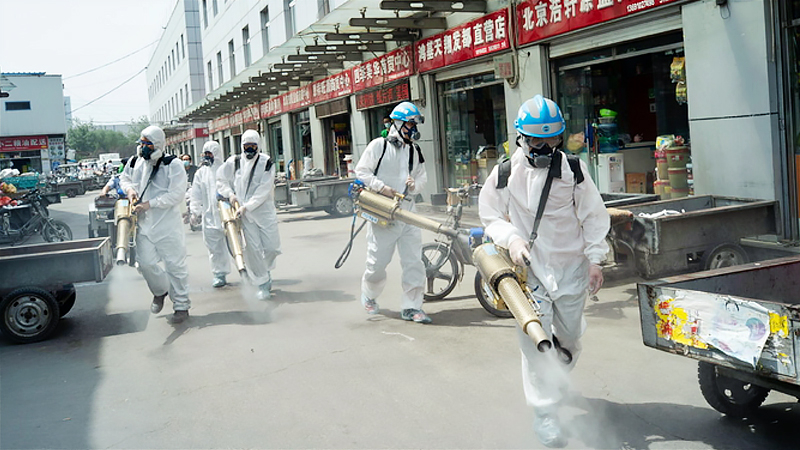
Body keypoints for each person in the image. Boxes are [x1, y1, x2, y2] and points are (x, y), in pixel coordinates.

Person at [478, 95, 610, 448]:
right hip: (530, 269)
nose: (546, 148)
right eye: (538, 141)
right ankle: (545, 412)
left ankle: (553, 379)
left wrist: (596, 260)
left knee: (568, 341)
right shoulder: (506, 172)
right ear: (522, 138)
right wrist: (513, 240)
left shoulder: (574, 171)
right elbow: (490, 215)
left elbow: (594, 218)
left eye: (553, 141)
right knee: (535, 340)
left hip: (571, 269)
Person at [355, 101, 430, 324]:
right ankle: (369, 294)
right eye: (409, 124)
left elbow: (422, 176)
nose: (413, 129)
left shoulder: (414, 149)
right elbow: (361, 172)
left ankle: (412, 307)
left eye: (415, 125)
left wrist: (415, 184)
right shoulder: (379, 146)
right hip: (383, 212)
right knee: (377, 262)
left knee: (414, 262)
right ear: (397, 123)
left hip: (408, 211)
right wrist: (381, 187)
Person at [120, 125, 191, 324]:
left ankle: (182, 306)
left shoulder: (173, 165)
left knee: (175, 265)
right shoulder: (135, 162)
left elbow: (177, 194)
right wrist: (130, 191)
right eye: (141, 143)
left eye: (148, 144)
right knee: (145, 264)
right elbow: (124, 178)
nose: (143, 147)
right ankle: (160, 290)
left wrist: (151, 204)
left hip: (167, 224)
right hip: (145, 225)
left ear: (158, 144)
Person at [216, 129, 281, 300]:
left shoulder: (267, 162)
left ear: (258, 145)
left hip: (263, 213)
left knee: (272, 248)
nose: (249, 149)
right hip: (244, 215)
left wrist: (248, 206)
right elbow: (221, 180)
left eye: (253, 146)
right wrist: (230, 194)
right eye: (246, 146)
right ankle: (262, 283)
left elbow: (264, 189)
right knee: (252, 250)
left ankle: (264, 271)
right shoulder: (235, 162)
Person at [189, 140, 232, 288]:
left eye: (209, 154)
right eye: (205, 154)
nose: (206, 157)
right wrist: (195, 212)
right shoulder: (201, 173)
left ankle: (248, 271)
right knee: (214, 248)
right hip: (210, 217)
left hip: (228, 214)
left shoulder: (227, 169)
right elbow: (196, 194)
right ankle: (219, 274)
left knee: (238, 245)